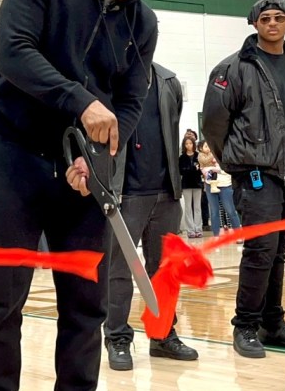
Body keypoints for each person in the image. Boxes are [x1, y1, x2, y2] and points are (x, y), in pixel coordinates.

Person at [0, 0, 177, 391]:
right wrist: (81, 102)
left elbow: (128, 100)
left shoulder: (142, 23)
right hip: (11, 159)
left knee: (87, 306)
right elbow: (14, 51)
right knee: (0, 303)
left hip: (82, 173)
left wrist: (97, 156)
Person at [202, 0, 285, 359]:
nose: (272, 23)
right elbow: (214, 125)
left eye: (279, 17)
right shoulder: (232, 68)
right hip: (256, 173)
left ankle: (273, 322)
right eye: (265, 18)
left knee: (279, 251)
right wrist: (237, 162)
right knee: (260, 250)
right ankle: (246, 325)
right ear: (254, 24)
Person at [105, 63, 197, 371]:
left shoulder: (168, 80)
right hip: (125, 194)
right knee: (118, 271)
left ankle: (162, 335)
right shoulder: (107, 77)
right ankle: (117, 338)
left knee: (165, 270)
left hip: (166, 193)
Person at [179, 135, 204, 238]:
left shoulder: (199, 155)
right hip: (186, 184)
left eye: (190, 143)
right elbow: (181, 171)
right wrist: (193, 169)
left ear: (194, 144)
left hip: (197, 184)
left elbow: (201, 170)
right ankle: (190, 230)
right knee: (188, 208)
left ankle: (198, 229)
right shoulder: (182, 157)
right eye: (186, 143)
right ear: (184, 145)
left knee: (197, 207)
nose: (189, 145)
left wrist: (195, 169)